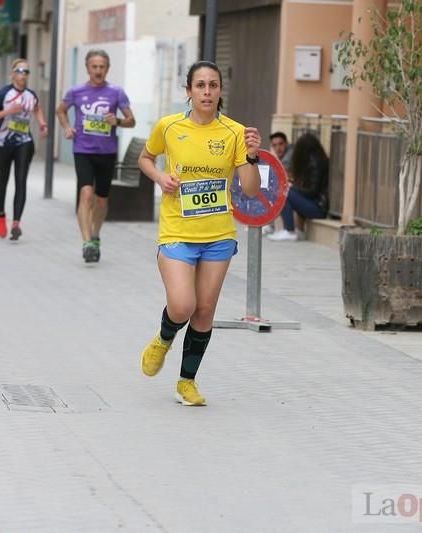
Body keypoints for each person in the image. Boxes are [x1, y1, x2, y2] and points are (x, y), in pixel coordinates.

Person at [137, 60, 261, 406]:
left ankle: (187, 382)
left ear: (220, 91)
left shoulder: (234, 132)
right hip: (177, 230)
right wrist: (161, 178)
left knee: (204, 311)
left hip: (219, 234)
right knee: (182, 305)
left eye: (213, 85)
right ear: (189, 91)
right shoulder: (169, 126)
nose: (207, 92)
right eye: (200, 85)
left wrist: (252, 157)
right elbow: (146, 158)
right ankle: (163, 339)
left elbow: (250, 190)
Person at [56, 49, 135, 263]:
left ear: (107, 68)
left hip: (106, 151)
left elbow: (131, 120)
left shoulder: (116, 92)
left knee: (101, 201)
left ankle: (96, 234)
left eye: (102, 67)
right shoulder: (76, 91)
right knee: (86, 194)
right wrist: (67, 127)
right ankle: (87, 242)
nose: (98, 71)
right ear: (87, 67)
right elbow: (60, 110)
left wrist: (117, 121)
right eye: (94, 66)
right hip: (83, 149)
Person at [0, 59, 47, 241]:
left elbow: (37, 108)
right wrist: (7, 112)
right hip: (2, 144)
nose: (23, 74)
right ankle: (1, 215)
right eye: (19, 71)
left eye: (26, 71)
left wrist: (42, 124)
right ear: (12, 74)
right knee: (2, 181)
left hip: (24, 142)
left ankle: (16, 223)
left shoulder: (31, 95)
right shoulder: (4, 94)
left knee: (21, 180)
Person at [267, 132, 329, 241]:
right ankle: (294, 231)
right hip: (316, 204)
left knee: (285, 191)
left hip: (318, 208)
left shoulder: (315, 163)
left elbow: (312, 191)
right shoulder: (315, 161)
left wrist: (292, 188)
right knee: (284, 190)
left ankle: (289, 230)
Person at [263, 131, 295, 235]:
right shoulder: (282, 156)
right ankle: (267, 224)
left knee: (277, 190)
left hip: (298, 189)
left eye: (281, 144)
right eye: (274, 145)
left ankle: (269, 224)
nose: (278, 148)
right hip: (291, 186)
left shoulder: (290, 155)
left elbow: (281, 174)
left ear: (286, 143)